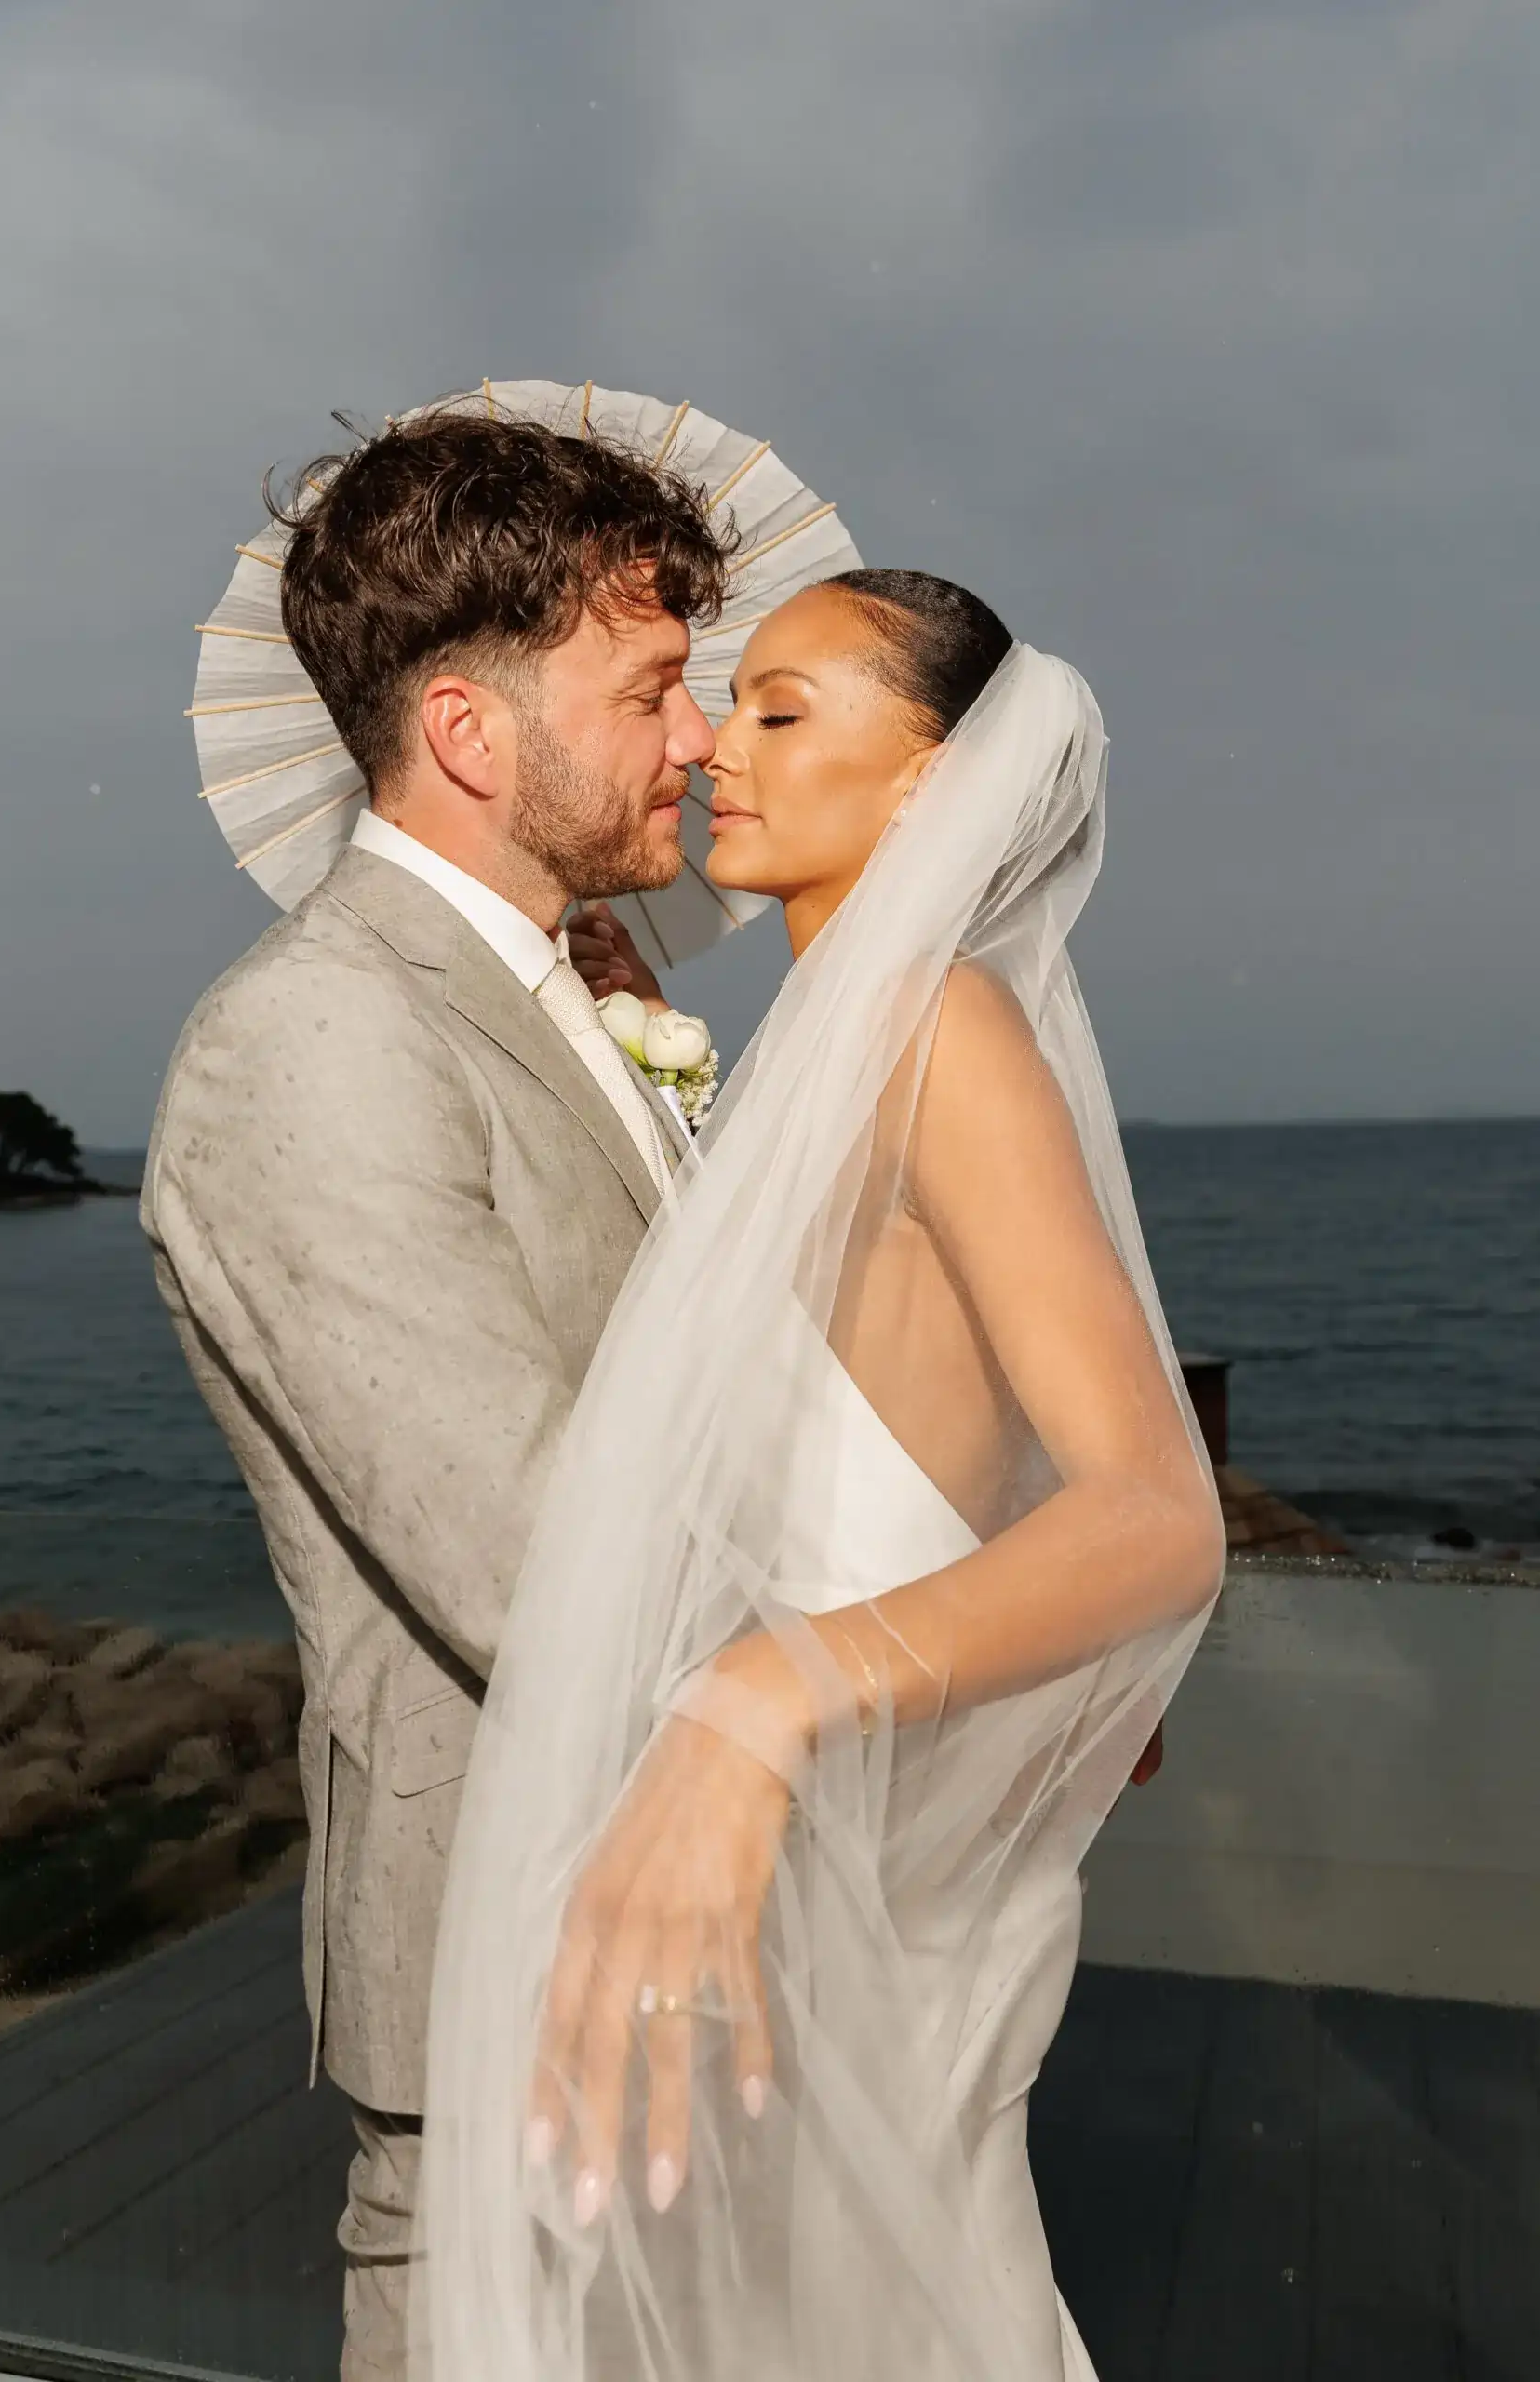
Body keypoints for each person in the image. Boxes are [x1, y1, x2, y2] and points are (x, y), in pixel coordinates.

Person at [419, 573, 1225, 2379]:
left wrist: (756, 1699)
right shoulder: (833, 1049)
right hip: (782, 1908)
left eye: (784, 711)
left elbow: (1155, 1513)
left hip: (855, 1889)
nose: (715, 748)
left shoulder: (947, 1029)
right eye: (722, 704)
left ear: (935, 781)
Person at [141, 408, 730, 2381]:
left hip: (697, 1947)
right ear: (475, 734)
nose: (699, 738)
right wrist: (945, 1633)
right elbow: (539, 1554)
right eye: (649, 688)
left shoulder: (590, 1002)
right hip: (518, 1976)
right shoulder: (305, 1041)